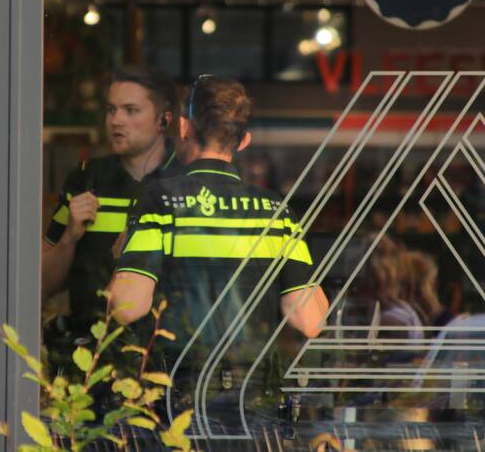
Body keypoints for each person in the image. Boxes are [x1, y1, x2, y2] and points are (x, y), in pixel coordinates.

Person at [107, 75, 329, 422]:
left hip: (177, 406)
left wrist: (121, 257)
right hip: (253, 409)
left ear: (183, 128)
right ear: (243, 142)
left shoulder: (160, 201)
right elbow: (310, 320)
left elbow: (127, 307)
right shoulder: (277, 212)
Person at [42, 65, 180, 339]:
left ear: (163, 121)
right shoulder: (85, 179)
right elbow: (42, 286)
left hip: (163, 357)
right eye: (111, 110)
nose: (116, 120)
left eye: (131, 110)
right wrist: (69, 237)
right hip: (88, 359)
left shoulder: (186, 182)